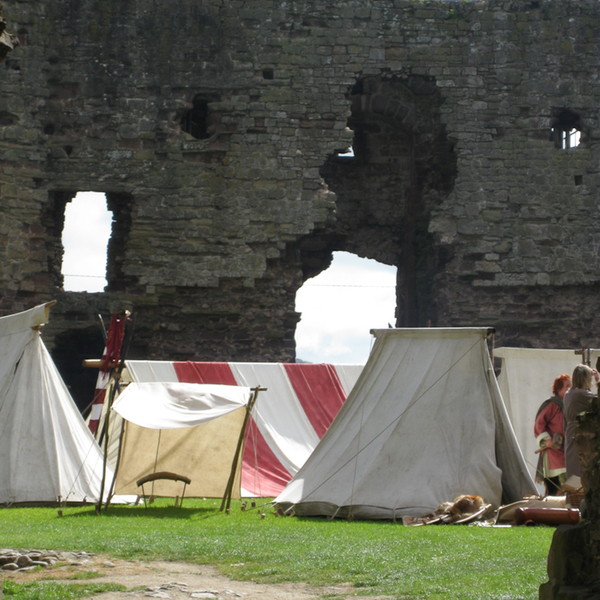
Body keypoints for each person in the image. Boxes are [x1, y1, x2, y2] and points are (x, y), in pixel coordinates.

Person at [534, 373, 571, 496]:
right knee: (560, 486)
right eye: (567, 386)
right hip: (553, 453)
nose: (569, 389)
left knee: (569, 484)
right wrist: (547, 440)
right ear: (559, 388)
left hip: (565, 450)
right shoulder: (552, 404)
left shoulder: (568, 406)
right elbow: (539, 424)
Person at [563, 364, 600, 480]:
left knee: (573, 471)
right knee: (582, 471)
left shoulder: (568, 394)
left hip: (571, 433)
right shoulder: (580, 394)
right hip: (581, 435)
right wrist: (599, 380)